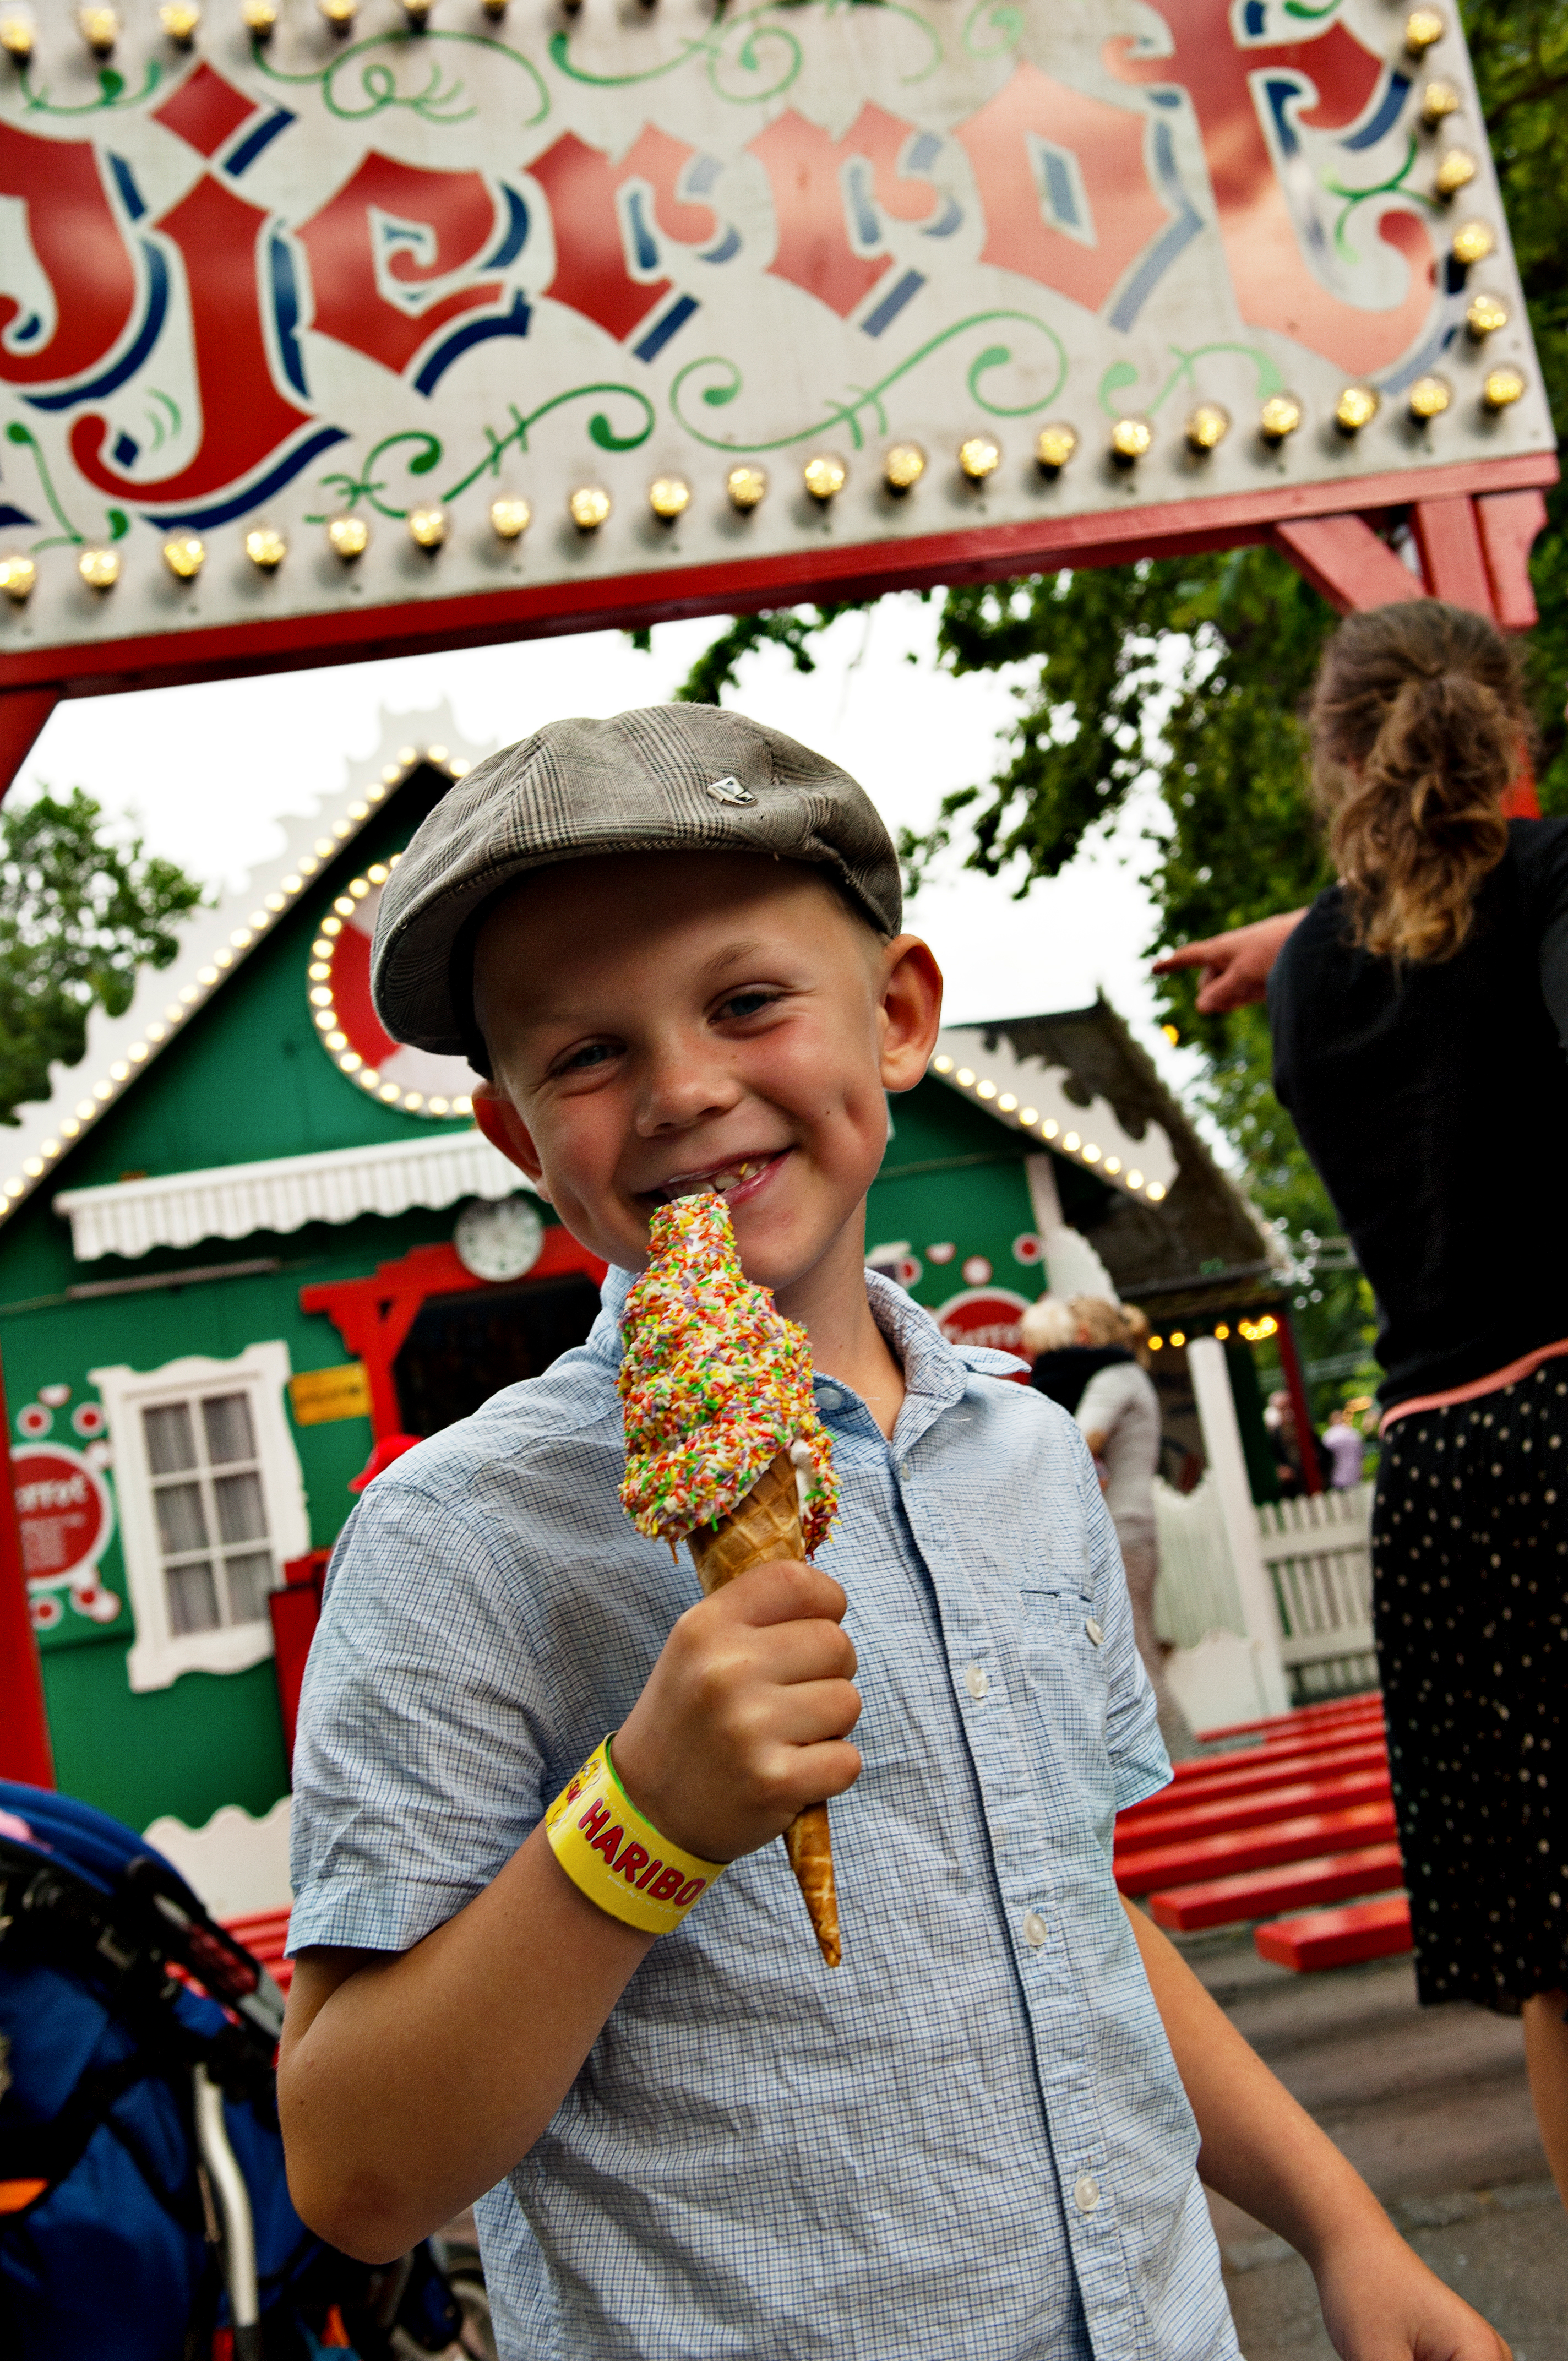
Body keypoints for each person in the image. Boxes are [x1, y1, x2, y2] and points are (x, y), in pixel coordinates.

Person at [277, 706, 1506, 2361]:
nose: (685, 1089)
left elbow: (1064, 1906)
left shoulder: (1020, 1450)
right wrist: (637, 1822)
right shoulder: (457, 1544)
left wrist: (1343, 2228)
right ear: (513, 1139)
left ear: (899, 1016)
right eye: (583, 1053)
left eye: (745, 1001)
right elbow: (355, 2168)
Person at [1157, 595, 1568, 2212]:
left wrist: (1286, 928)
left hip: (1440, 1479)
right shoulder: (1546, 886)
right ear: (1511, 731)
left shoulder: (1308, 981)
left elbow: (1391, 919)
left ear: (1335, 758)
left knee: (1554, 1965)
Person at [1072, 1299, 1197, 1761]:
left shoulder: (1112, 1380)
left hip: (1122, 1532)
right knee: (1141, 1650)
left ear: (1084, 1334)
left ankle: (1182, 1760)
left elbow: (1081, 1441)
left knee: (1138, 1659)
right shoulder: (1130, 1377)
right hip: (1135, 1526)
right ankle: (1181, 1757)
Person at [1321, 1406, 1365, 1490]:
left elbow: (1326, 1458)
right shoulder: (1354, 1434)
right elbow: (1361, 1455)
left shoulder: (1329, 1437)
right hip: (1354, 1476)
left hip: (1337, 1477)